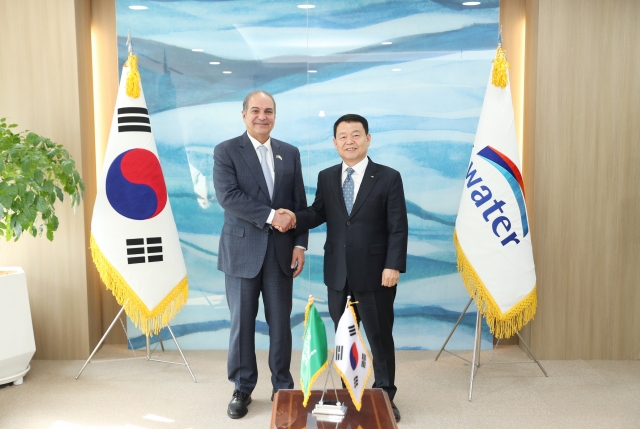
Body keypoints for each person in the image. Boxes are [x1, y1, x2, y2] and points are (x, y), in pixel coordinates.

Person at [277, 113, 408, 422]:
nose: (350, 141)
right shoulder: (326, 176)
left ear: (368, 138)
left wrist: (393, 265)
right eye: (343, 136)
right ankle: (350, 391)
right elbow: (318, 212)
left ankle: (385, 394)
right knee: (344, 339)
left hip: (376, 273)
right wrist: (294, 217)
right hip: (337, 273)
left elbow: (398, 227)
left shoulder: (388, 176)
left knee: (378, 336)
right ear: (334, 142)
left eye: (356, 134)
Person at [213, 90, 308, 419]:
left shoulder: (289, 153)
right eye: (255, 110)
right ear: (244, 115)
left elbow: (299, 203)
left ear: (275, 116)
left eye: (268, 111)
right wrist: (272, 216)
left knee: (281, 323)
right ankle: (242, 386)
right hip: (241, 252)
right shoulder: (226, 151)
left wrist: (300, 243)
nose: (262, 116)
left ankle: (283, 384)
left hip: (282, 252)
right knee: (242, 323)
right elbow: (229, 196)